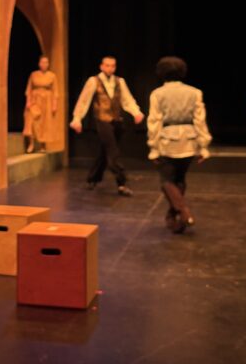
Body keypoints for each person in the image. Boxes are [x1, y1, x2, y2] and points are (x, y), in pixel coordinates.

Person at [146, 56, 211, 233]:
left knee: (166, 181)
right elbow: (200, 120)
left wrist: (153, 148)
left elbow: (154, 122)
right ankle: (174, 218)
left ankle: (184, 211)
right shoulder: (195, 92)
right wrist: (203, 146)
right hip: (189, 142)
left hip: (168, 141)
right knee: (180, 179)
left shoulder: (158, 94)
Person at [70, 56, 144, 196]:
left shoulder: (119, 81)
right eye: (107, 65)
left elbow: (127, 99)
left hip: (116, 121)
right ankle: (122, 182)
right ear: (101, 66)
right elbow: (84, 100)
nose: (110, 68)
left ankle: (93, 178)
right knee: (113, 151)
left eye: (113, 66)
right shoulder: (94, 81)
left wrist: (136, 112)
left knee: (105, 152)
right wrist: (77, 118)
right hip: (102, 120)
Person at [23, 54, 58, 153]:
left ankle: (43, 145)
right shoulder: (33, 74)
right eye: (42, 62)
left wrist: (54, 105)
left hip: (47, 101)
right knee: (31, 121)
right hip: (35, 99)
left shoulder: (52, 76)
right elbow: (29, 89)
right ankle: (31, 144)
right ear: (39, 64)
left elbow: (55, 91)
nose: (44, 64)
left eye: (46, 62)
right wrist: (28, 101)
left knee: (44, 123)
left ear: (48, 64)